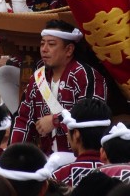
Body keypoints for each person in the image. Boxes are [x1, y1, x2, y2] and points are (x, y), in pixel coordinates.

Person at [10, 20, 107, 156]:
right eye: (42, 43)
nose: (44, 49)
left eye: (51, 44)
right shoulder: (37, 78)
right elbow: (23, 120)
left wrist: (56, 120)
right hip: (47, 159)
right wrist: (13, 155)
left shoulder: (85, 75)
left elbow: (92, 116)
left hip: (80, 157)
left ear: (69, 50)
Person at [52, 99, 112, 188]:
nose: (68, 136)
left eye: (68, 132)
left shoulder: (59, 177)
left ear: (76, 134)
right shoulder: (119, 174)